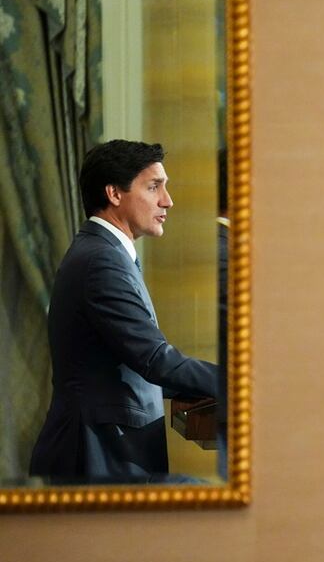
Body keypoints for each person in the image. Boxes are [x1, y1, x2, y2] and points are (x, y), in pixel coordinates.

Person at [29, 140, 219, 481]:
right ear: (115, 194)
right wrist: (240, 386)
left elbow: (133, 367)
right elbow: (155, 359)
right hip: (96, 453)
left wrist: (209, 410)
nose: (167, 200)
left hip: (110, 448)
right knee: (207, 508)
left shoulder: (106, 254)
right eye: (153, 187)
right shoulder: (101, 260)